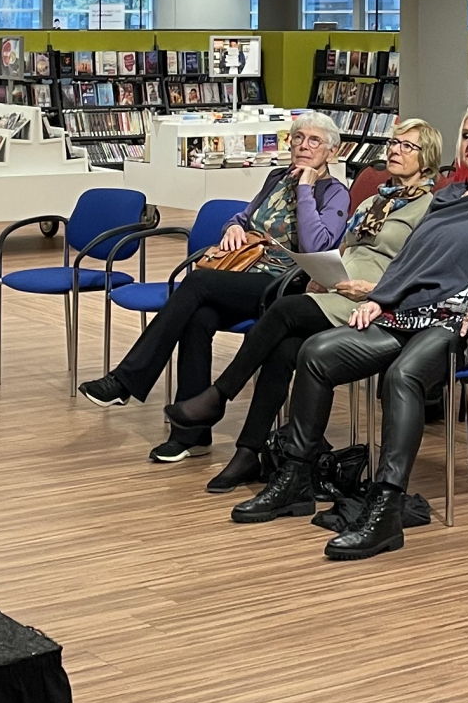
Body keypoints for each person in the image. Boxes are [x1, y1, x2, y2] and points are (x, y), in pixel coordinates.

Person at [232, 97, 468, 558]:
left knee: (403, 375)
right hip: (413, 312)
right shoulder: (448, 198)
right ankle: (296, 477)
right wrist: (378, 299)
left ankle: (386, 506)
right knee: (318, 353)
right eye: (466, 134)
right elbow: (410, 262)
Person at [169, 119, 439, 495]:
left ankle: (219, 395)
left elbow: (420, 270)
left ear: (426, 160)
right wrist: (321, 272)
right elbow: (342, 248)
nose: (394, 150)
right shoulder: (377, 198)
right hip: (336, 288)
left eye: (407, 146)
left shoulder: (429, 208)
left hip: (369, 299)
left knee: (284, 310)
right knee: (283, 350)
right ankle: (248, 452)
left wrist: (374, 290)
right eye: (394, 142)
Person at [79, 114, 351, 461]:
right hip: (244, 274)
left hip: (284, 288)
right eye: (298, 138)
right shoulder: (276, 177)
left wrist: (304, 188)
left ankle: (126, 380)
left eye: (314, 141)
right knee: (198, 317)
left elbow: (316, 245)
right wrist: (231, 229)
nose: (303, 146)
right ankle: (190, 435)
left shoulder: (335, 193)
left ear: (332, 150)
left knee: (197, 281)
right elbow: (245, 216)